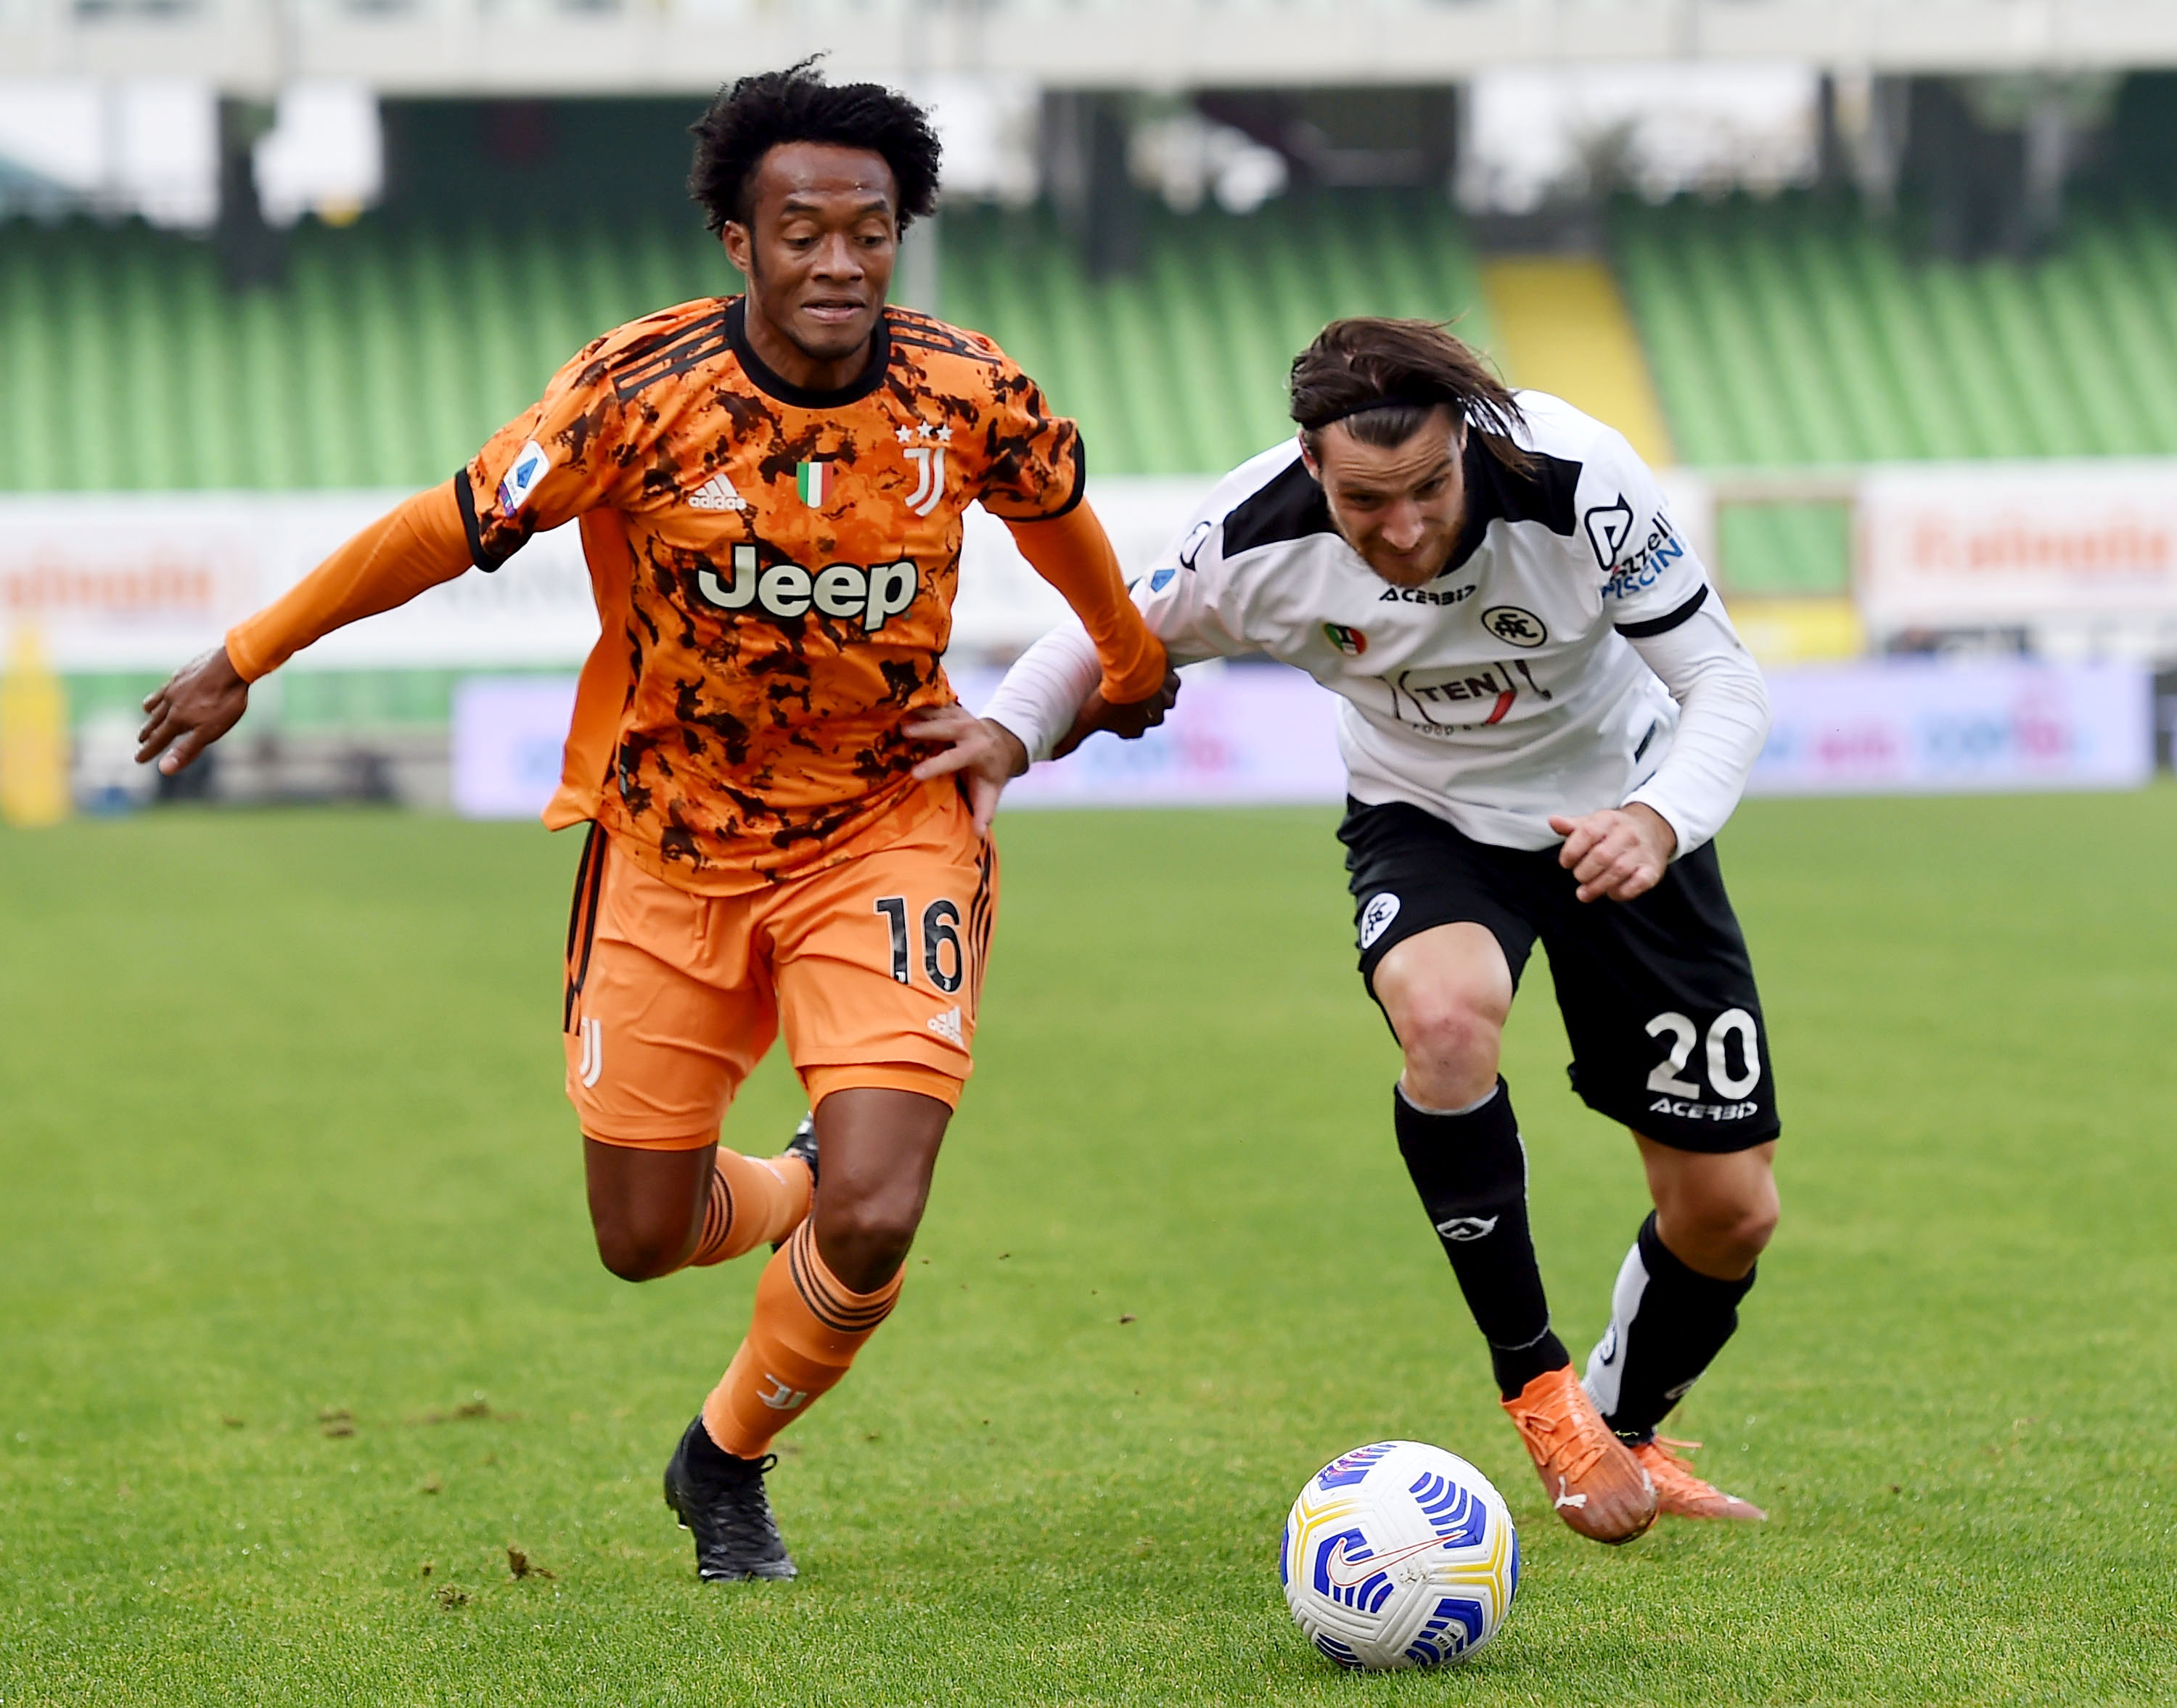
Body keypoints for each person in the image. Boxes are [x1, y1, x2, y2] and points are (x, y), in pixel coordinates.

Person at [134, 62, 1173, 1582]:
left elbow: (1059, 518)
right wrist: (245, 656)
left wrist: (1126, 665)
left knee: (880, 1212)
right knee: (640, 1233)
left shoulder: (966, 390)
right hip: (667, 845)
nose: (841, 262)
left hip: (886, 827)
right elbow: (444, 525)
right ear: (739, 241)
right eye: (803, 232)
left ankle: (726, 1459)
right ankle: (793, 1181)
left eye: (871, 231)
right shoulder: (637, 394)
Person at [919, 317, 1779, 1545]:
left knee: (1729, 1210)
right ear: (1312, 464)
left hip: (1627, 814)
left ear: (1465, 442)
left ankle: (1623, 1422)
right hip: (1429, 821)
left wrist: (1657, 817)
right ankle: (1539, 1387)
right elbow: (1107, 634)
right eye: (1368, 500)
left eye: (1430, 486)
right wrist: (1009, 732)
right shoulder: (1253, 533)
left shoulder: (1575, 476)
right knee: (1446, 1022)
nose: (1407, 526)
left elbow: (1724, 681)